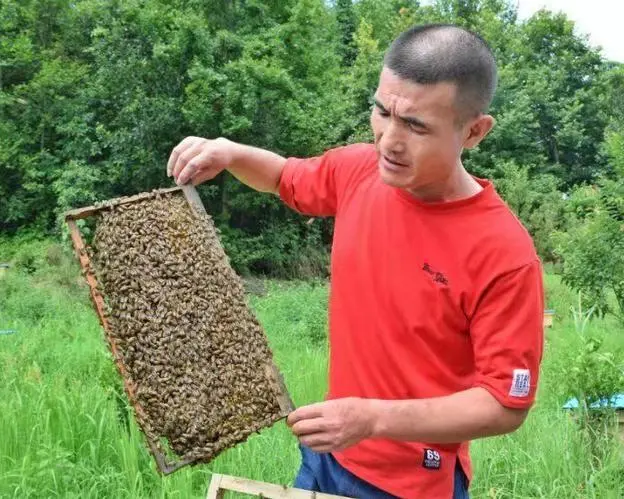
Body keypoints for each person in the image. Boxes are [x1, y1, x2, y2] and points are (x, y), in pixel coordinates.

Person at [167, 23, 544, 499]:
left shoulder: (504, 253)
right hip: (326, 455)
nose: (389, 139)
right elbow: (287, 177)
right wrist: (230, 152)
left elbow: (505, 403)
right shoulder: (359, 170)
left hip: (411, 482)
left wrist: (372, 418)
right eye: (382, 111)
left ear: (474, 131)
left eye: (416, 125)